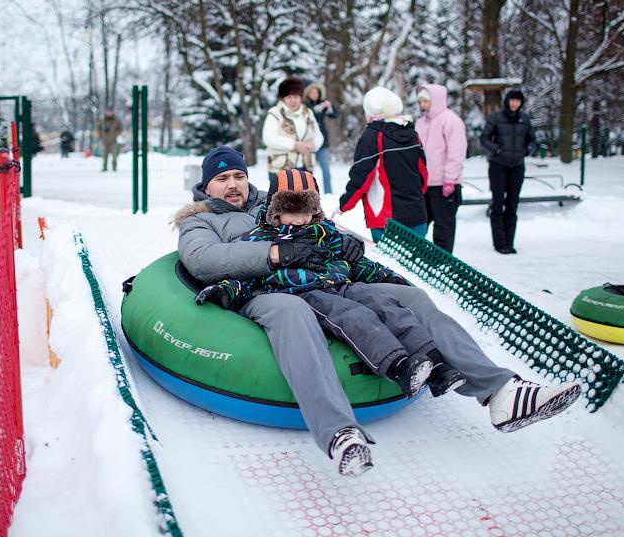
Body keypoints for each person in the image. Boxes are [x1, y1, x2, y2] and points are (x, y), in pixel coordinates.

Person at [175, 145, 582, 477]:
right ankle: (338, 433)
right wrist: (275, 252)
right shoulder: (202, 221)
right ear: (206, 185)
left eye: (239, 175)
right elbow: (202, 260)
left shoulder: (277, 202)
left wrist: (351, 242)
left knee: (413, 300)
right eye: (222, 178)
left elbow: (324, 227)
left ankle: (500, 391)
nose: (233, 184)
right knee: (292, 313)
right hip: (265, 292)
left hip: (328, 281)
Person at [195, 168, 466, 402]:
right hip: (308, 295)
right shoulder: (263, 239)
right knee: (355, 316)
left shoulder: (323, 231)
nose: (301, 219)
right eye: (292, 212)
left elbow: (356, 262)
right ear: (275, 211)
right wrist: (226, 289)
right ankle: (399, 368)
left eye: (307, 212)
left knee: (387, 306)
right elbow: (246, 272)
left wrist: (384, 275)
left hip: (341, 285)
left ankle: (438, 368)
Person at [337, 86, 428, 243]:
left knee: (390, 267)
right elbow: (423, 174)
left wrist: (343, 205)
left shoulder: (372, 136)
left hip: (387, 222)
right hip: (417, 217)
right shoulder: (411, 133)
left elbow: (361, 177)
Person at [479, 89, 536, 254]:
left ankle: (509, 242)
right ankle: (499, 243)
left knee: (512, 203)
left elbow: (532, 139)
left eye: (518, 101)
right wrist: (496, 150)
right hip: (498, 166)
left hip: (517, 167)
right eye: (512, 100)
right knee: (498, 204)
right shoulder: (496, 117)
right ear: (507, 101)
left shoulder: (524, 120)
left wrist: (527, 150)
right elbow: (484, 138)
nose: (515, 103)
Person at [415, 84, 467, 254]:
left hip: (445, 185)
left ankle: (443, 264)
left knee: (443, 229)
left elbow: (456, 152)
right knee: (419, 225)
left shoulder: (451, 121)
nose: (422, 104)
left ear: (435, 100)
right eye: (420, 101)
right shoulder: (420, 123)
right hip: (425, 185)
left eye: (425, 101)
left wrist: (450, 179)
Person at [262, 77, 323, 182]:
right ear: (283, 98)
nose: (293, 101)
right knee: (283, 198)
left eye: (296, 97)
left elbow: (319, 136)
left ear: (301, 97)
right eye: (289, 97)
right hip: (281, 169)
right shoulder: (275, 113)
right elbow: (268, 138)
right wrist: (294, 145)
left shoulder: (308, 112)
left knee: (306, 198)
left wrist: (312, 144)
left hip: (305, 168)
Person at [304, 83, 339, 194]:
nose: (314, 95)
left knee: (326, 170)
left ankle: (328, 194)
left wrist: (329, 106)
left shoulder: (322, 105)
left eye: (316, 93)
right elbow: (313, 112)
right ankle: (310, 194)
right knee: (309, 171)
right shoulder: (305, 106)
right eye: (312, 92)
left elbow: (334, 115)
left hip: (323, 143)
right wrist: (321, 107)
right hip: (309, 142)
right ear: (308, 94)